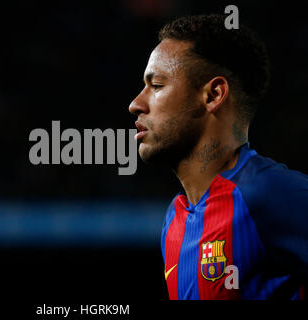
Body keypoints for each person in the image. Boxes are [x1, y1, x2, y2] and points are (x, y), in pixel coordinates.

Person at [128, 14, 307, 299]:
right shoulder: (175, 219)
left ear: (213, 95)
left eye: (157, 85)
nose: (135, 104)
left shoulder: (269, 193)